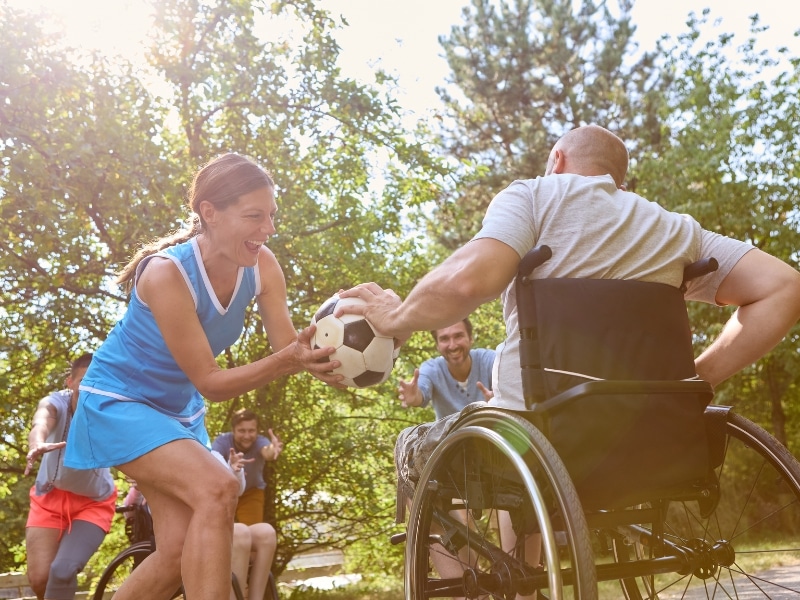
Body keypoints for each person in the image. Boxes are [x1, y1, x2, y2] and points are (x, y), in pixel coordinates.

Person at [338, 124, 800, 598]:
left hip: (542, 442)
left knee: (412, 446)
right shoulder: (672, 229)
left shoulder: (535, 197)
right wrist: (693, 380)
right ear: (620, 180)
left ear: (556, 159)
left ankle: (466, 580)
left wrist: (396, 317)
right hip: (655, 443)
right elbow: (785, 287)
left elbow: (466, 282)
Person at [63, 153, 342, 600]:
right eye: (254, 215)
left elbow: (291, 346)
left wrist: (331, 354)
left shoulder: (262, 265)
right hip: (119, 403)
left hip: (176, 413)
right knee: (219, 486)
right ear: (209, 213)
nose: (267, 228)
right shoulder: (166, 273)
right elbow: (211, 382)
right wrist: (290, 359)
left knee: (175, 554)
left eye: (271, 215)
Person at [24, 353, 117, 600]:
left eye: (97, 380)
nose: (90, 386)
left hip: (94, 502)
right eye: (84, 380)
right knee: (40, 578)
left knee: (63, 570)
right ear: (70, 382)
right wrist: (37, 443)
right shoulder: (57, 402)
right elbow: (42, 420)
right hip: (49, 499)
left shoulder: (111, 410)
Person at [398, 318, 495, 419]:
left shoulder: (489, 359)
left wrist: (500, 399)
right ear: (437, 345)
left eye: (458, 336)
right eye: (444, 339)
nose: (452, 346)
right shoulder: (432, 369)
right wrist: (415, 396)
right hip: (453, 435)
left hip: (492, 432)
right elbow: (421, 392)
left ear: (470, 338)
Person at [212, 408, 283, 526]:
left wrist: (273, 449)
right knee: (218, 529)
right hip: (224, 491)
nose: (247, 435)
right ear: (233, 430)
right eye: (241, 431)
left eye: (251, 431)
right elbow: (211, 460)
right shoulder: (222, 441)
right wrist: (230, 468)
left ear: (257, 431)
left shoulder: (260, 441)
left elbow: (267, 453)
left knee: (253, 531)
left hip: (251, 492)